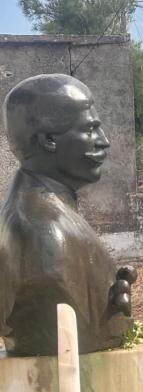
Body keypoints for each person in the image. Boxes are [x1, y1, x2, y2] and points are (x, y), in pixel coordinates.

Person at [0, 74, 135, 356]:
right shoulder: (44, 231)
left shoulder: (44, 211)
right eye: (90, 129)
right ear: (48, 139)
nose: (104, 142)